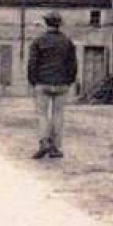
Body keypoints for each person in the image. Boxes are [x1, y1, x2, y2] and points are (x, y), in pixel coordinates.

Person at [26, 10, 77, 159]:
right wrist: (70, 80)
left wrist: (33, 81)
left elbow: (32, 64)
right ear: (59, 24)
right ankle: (55, 147)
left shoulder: (38, 41)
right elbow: (73, 65)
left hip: (42, 83)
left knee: (42, 115)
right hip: (62, 83)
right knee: (58, 115)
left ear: (46, 23)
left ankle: (44, 143)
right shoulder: (67, 42)